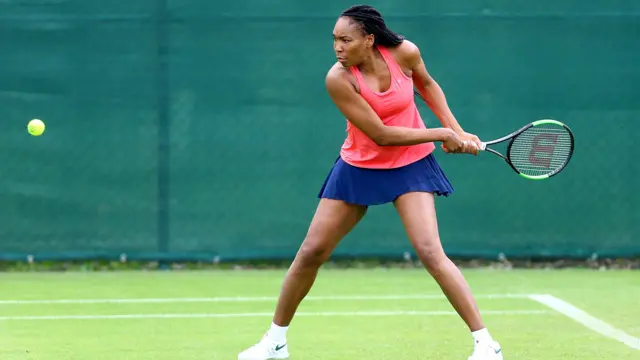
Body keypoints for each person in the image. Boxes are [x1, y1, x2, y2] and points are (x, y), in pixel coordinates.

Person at [238, 4, 503, 360]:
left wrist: (455, 130)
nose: (337, 47)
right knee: (311, 252)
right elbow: (379, 134)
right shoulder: (338, 78)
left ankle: (486, 344)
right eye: (334, 40)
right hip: (359, 165)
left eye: (345, 40)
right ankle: (275, 342)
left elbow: (426, 84)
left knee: (429, 251)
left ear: (369, 40)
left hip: (410, 165)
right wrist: (439, 133)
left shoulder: (404, 53)